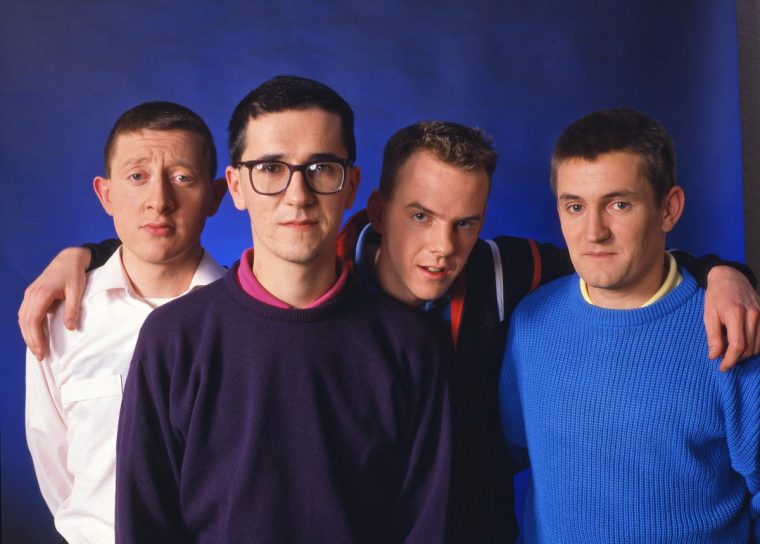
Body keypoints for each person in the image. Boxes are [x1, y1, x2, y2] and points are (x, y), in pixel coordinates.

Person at [19, 118, 760, 543]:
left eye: (466, 223)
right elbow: (199, 264)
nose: (443, 246)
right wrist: (90, 254)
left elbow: (619, 259)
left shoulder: (512, 277)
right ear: (372, 210)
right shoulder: (321, 272)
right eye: (420, 217)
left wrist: (722, 270)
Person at [114, 76, 451, 542]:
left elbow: (425, 527)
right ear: (235, 186)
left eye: (321, 168)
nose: (298, 195)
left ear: (351, 185)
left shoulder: (408, 345)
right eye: (271, 168)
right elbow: (145, 524)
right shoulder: (172, 339)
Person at [499, 108, 759, 541]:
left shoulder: (732, 330)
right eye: (575, 206)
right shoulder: (532, 323)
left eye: (619, 204)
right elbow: (508, 452)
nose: (594, 231)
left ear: (669, 209)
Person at [24, 101, 227, 543]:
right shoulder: (61, 318)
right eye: (137, 177)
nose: (159, 200)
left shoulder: (248, 317)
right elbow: (56, 467)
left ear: (214, 197)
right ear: (106, 194)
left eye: (182, 178)